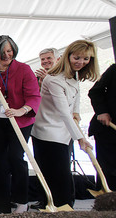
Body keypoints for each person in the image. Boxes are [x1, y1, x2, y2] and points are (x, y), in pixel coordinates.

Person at [0, 35, 41, 214]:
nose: (6, 55)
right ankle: (1, 203)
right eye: (1, 52)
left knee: (15, 157)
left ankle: (21, 200)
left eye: (9, 51)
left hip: (19, 121)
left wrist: (22, 110)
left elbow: (34, 96)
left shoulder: (24, 69)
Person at [32, 40, 98, 208]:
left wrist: (76, 113)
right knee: (56, 173)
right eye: (77, 57)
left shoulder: (74, 77)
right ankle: (58, 206)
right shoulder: (54, 80)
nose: (81, 62)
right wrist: (81, 139)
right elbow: (63, 112)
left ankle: (65, 205)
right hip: (47, 132)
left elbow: (75, 101)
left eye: (86, 59)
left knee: (63, 172)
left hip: (65, 132)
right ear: (67, 56)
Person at [88, 64, 116, 191]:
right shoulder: (114, 69)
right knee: (108, 168)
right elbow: (95, 91)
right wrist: (102, 111)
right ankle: (106, 200)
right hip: (107, 128)